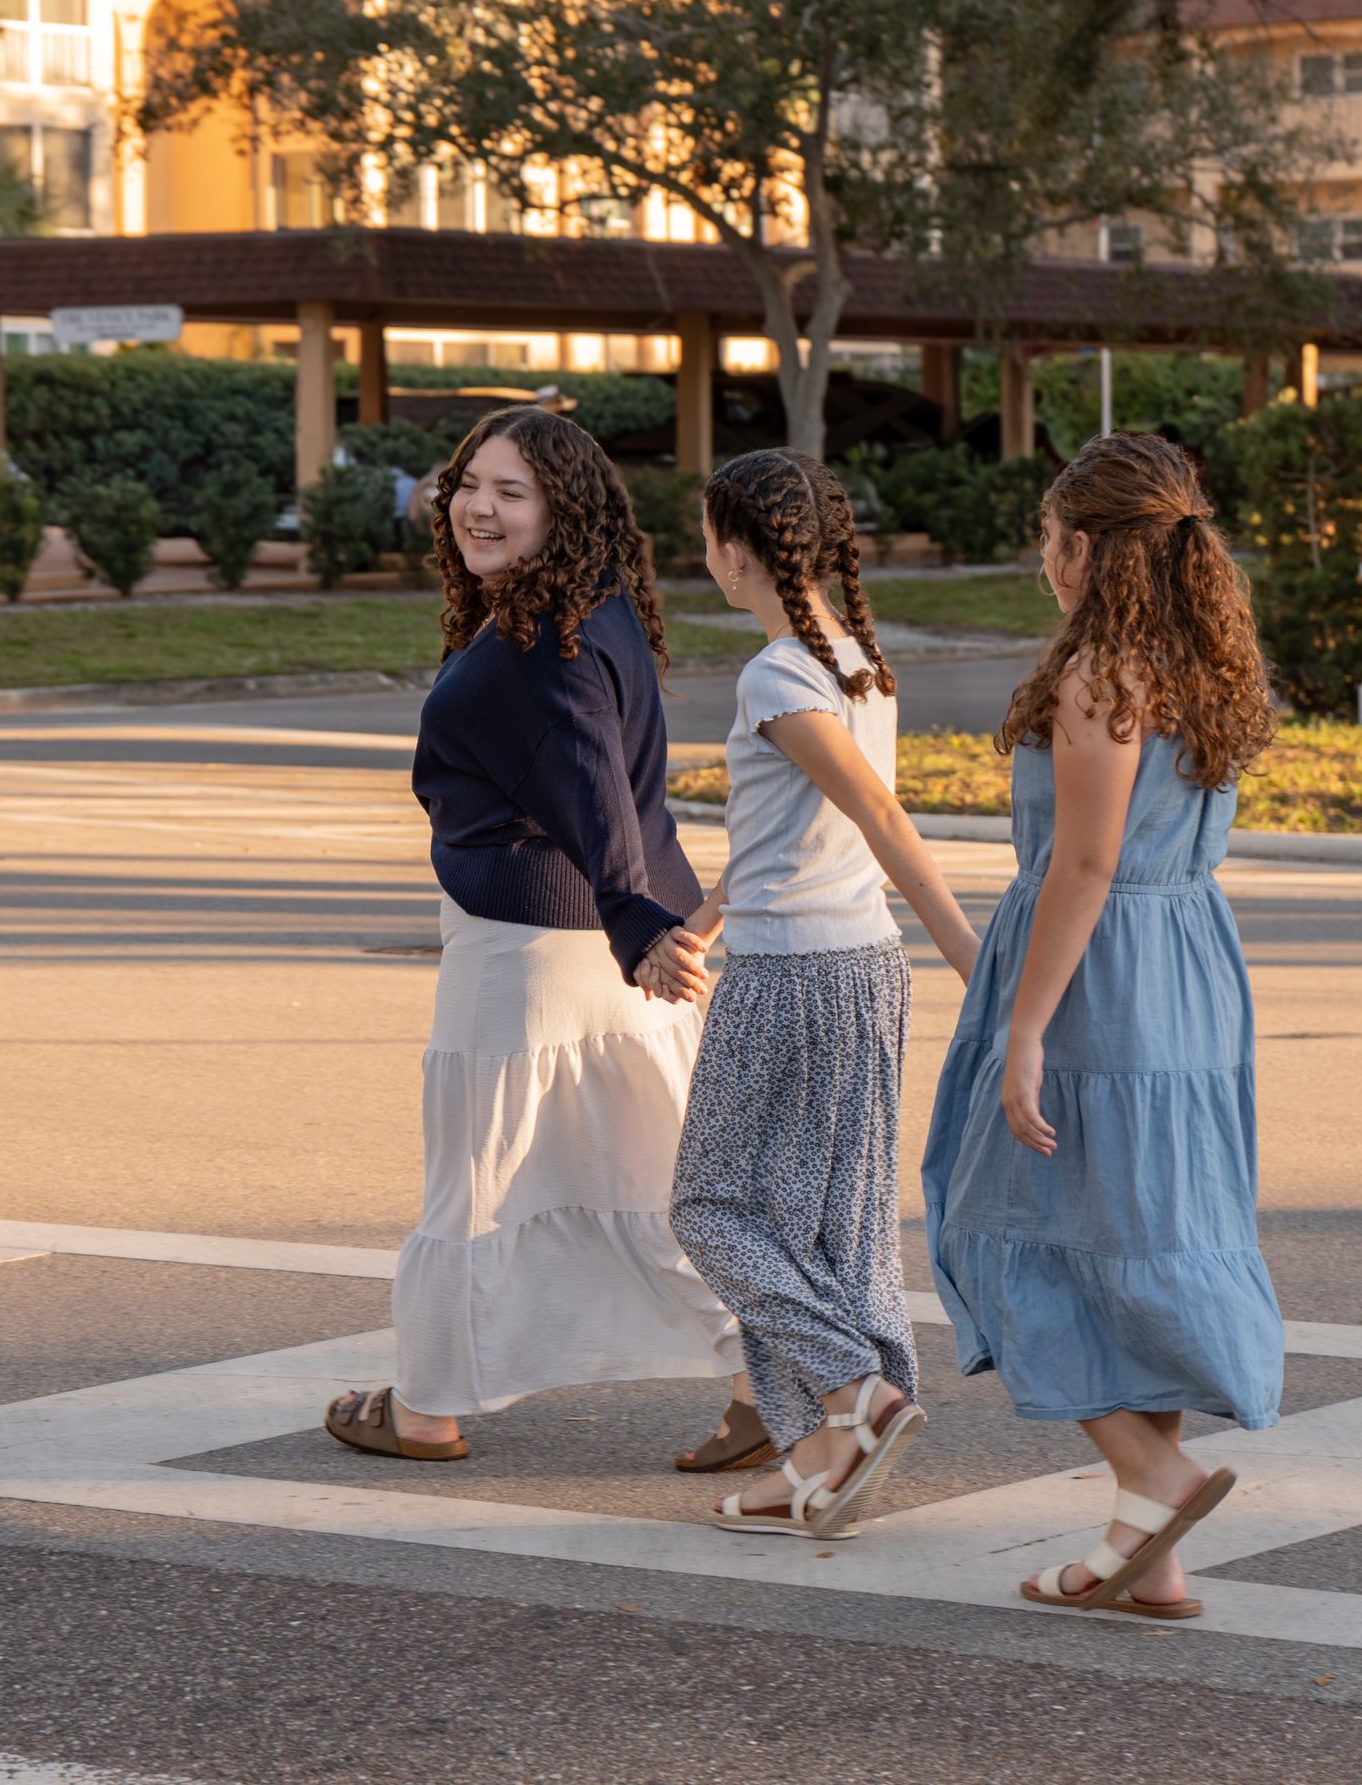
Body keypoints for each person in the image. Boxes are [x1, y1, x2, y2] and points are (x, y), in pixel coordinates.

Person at [323, 407, 740, 1463]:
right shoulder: (592, 611)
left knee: (482, 1175)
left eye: (512, 493)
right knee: (650, 1183)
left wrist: (633, 919)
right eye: (471, 483)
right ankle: (784, 1381)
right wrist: (641, 922)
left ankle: (423, 1405)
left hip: (537, 951)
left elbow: (593, 787)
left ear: (564, 512)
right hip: (614, 945)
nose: (479, 507)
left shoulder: (533, 644)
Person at [920, 431, 1285, 1617]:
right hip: (1183, 972)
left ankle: (1151, 1470)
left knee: (995, 1222)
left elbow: (1082, 864)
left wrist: (1022, 1029)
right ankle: (1147, 1549)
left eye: (1045, 535)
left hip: (1097, 975)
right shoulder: (1203, 668)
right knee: (1136, 1240)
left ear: (1080, 545)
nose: (1042, 557)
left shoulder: (1103, 675)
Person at [658, 450, 983, 1539]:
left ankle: (855, 1388)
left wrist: (972, 958)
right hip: (856, 969)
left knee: (710, 1208)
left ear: (736, 551)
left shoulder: (776, 674)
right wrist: (694, 927)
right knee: (821, 1229)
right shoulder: (854, 663)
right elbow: (782, 838)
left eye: (707, 534)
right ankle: (814, 1460)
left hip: (794, 976)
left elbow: (884, 822)